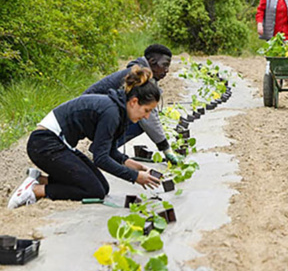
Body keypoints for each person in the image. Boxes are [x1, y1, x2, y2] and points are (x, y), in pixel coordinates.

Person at [7, 67, 162, 209]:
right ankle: (34, 190)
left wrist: (139, 168)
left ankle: (40, 179)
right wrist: (134, 177)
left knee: (102, 187)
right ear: (134, 102)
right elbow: (100, 158)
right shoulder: (112, 113)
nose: (147, 116)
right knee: (93, 190)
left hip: (59, 144)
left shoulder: (118, 110)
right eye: (146, 110)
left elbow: (109, 151)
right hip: (45, 145)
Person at [84, 44, 180, 165]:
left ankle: (104, 149)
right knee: (140, 119)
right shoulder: (139, 77)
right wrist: (165, 147)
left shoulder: (141, 73)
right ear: (152, 61)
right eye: (165, 65)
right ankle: (102, 151)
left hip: (101, 115)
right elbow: (148, 119)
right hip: (91, 116)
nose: (167, 70)